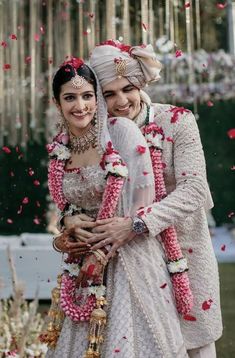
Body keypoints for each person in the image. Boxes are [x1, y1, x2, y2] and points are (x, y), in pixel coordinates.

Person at [64, 41, 223, 357]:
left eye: (128, 88)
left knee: (195, 345)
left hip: (183, 255)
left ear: (140, 84)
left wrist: (136, 224)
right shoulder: (93, 135)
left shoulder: (176, 121)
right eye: (109, 94)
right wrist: (69, 218)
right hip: (125, 267)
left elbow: (193, 191)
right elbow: (82, 194)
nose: (122, 101)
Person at [43, 57, 189, 357]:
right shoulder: (60, 148)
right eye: (70, 97)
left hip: (129, 255)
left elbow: (142, 201)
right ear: (57, 103)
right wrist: (67, 226)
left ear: (96, 97)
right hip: (82, 264)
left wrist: (99, 253)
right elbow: (67, 207)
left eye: (87, 96)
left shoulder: (120, 130)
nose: (80, 106)